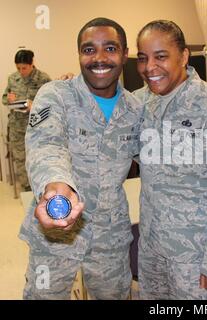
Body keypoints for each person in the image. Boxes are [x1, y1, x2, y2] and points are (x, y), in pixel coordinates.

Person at [19, 17, 142, 299]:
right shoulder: (55, 95)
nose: (99, 58)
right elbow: (46, 145)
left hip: (109, 235)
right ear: (79, 55)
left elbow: (158, 161)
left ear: (125, 54)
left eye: (110, 48)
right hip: (55, 230)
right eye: (88, 50)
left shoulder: (136, 109)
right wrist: (55, 185)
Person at [133, 20, 207, 300]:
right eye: (143, 58)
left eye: (161, 56)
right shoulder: (141, 102)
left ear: (184, 56)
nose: (150, 67)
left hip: (194, 253)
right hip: (152, 244)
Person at [2, 50, 51, 191]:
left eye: (24, 68)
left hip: (38, 127)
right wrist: (9, 99)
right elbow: (4, 98)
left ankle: (42, 187)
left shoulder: (43, 79)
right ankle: (27, 188)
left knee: (39, 159)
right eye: (18, 68)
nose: (21, 71)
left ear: (32, 64)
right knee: (21, 159)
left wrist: (34, 105)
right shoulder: (13, 78)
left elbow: (52, 103)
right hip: (17, 128)